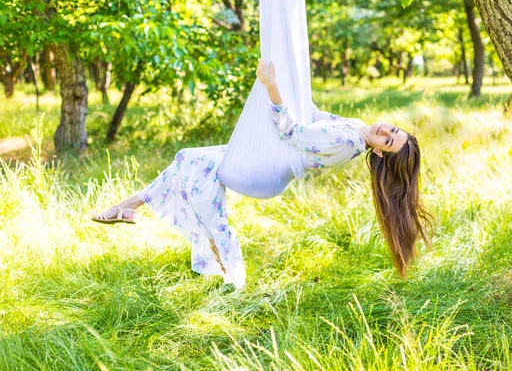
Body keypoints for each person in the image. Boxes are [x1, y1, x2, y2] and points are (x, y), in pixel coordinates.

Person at [92, 59, 433, 287]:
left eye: (388, 141)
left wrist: (272, 85)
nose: (385, 132)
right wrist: (294, 72)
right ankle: (130, 206)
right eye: (393, 130)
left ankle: (229, 268)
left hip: (264, 169)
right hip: (265, 158)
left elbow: (292, 132)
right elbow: (312, 113)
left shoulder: (346, 140)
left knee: (195, 169)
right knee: (188, 161)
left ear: (379, 152)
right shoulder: (356, 131)